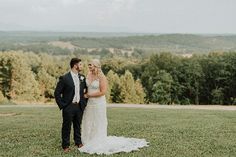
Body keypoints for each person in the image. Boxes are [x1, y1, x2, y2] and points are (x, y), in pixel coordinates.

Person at [79, 59, 148, 155]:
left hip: (98, 103)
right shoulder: (88, 74)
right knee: (88, 120)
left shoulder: (102, 77)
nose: (89, 66)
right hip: (89, 103)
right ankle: (87, 140)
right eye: (89, 64)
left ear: (96, 66)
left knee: (98, 121)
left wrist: (89, 95)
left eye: (91, 65)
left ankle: (97, 140)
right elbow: (87, 87)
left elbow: (103, 92)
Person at [54, 58, 87, 152]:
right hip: (68, 106)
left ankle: (78, 142)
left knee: (77, 125)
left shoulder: (82, 77)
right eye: (80, 64)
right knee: (66, 126)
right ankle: (65, 145)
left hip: (79, 106)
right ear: (75, 65)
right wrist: (63, 105)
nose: (82, 66)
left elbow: (86, 90)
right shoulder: (64, 78)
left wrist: (84, 103)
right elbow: (57, 93)